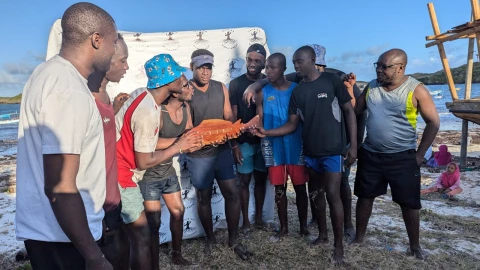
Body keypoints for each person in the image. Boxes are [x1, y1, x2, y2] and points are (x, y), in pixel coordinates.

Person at [15, 3, 118, 269]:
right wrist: (93, 255)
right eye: (113, 41)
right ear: (96, 40)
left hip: (51, 232)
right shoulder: (68, 89)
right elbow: (60, 187)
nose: (114, 50)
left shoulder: (46, 73)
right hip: (63, 240)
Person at [242, 44, 364, 239]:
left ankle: (328, 235)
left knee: (325, 191)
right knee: (299, 191)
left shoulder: (321, 83)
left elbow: (351, 111)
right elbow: (273, 120)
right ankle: (305, 231)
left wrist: (354, 145)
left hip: (317, 148)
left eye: (299, 62)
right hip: (291, 149)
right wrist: (256, 128)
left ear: (313, 61)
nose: (296, 66)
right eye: (294, 63)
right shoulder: (284, 91)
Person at [351, 48, 440, 260]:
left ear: (400, 68)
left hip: (402, 157)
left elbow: (433, 123)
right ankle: (359, 238)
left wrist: (419, 154)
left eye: (384, 67)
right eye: (377, 66)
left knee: (409, 204)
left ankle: (415, 247)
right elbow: (356, 110)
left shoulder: (416, 90)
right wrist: (348, 90)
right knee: (364, 198)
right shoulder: (372, 87)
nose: (379, 70)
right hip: (371, 154)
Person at [115, 54, 202, 270]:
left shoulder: (142, 96)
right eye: (179, 74)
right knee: (142, 236)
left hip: (118, 172)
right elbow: (144, 161)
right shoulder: (149, 112)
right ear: (169, 81)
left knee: (133, 235)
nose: (184, 79)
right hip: (123, 176)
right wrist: (178, 146)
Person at [186, 49, 252, 260]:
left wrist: (234, 145)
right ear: (192, 68)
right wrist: (202, 138)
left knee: (232, 193)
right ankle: (210, 239)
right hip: (199, 156)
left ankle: (233, 239)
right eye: (201, 68)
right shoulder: (186, 90)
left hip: (223, 151)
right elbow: (186, 126)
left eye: (208, 67)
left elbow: (229, 118)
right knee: (203, 197)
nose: (205, 72)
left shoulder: (221, 88)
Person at [140, 83, 196, 266]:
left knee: (178, 212)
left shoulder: (186, 108)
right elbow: (150, 142)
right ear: (175, 92)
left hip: (168, 170)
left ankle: (176, 255)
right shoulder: (159, 111)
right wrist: (180, 142)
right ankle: (154, 264)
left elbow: (190, 133)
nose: (191, 88)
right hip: (149, 174)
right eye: (186, 86)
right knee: (154, 222)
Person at [87, 33, 130, 270]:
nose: (127, 67)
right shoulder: (84, 99)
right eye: (122, 60)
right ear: (104, 59)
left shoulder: (105, 95)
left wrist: (113, 110)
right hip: (96, 205)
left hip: (112, 198)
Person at [255, 53, 309, 239]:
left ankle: (303, 228)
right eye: (267, 68)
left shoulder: (297, 89)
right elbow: (259, 119)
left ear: (283, 69)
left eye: (273, 67)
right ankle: (284, 227)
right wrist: (254, 128)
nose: (268, 71)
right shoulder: (262, 92)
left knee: (300, 187)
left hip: (295, 144)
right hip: (272, 145)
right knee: (279, 188)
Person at [228, 43, 269, 234]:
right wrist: (234, 144)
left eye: (257, 61)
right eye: (250, 60)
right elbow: (233, 118)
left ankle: (259, 218)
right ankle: (245, 221)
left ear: (264, 63)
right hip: (244, 143)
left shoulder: (269, 81)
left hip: (265, 141)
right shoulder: (236, 84)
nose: (252, 64)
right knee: (244, 183)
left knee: (261, 182)